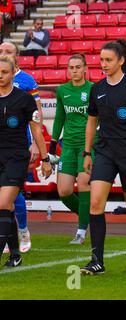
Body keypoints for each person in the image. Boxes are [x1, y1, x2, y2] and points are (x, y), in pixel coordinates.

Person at [80, 39, 126, 275]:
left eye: (108, 60)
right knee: (95, 204)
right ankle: (97, 261)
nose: (103, 64)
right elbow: (92, 122)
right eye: (101, 60)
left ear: (121, 61)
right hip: (103, 150)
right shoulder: (97, 89)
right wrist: (86, 151)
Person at [0, 55, 52, 267]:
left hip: (16, 157)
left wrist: (45, 158)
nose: (0, 76)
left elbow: (37, 132)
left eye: (4, 72)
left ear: (13, 73)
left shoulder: (24, 99)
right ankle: (15, 255)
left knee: (3, 203)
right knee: (8, 207)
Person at [48, 54, 94, 245]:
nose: (74, 70)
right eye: (71, 67)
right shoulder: (62, 90)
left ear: (85, 69)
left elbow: (97, 118)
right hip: (67, 146)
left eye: (78, 67)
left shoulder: (92, 89)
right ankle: (88, 215)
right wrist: (52, 144)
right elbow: (59, 118)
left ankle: (81, 232)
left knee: (84, 183)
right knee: (64, 191)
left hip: (87, 146)